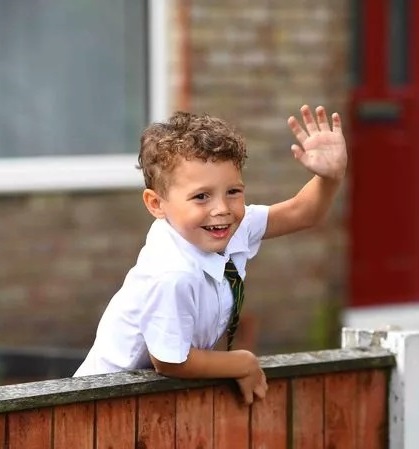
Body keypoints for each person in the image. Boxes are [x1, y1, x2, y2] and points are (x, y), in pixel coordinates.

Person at [74, 105, 347, 405]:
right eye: (201, 196)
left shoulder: (227, 226)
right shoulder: (172, 274)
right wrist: (241, 363)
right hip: (98, 405)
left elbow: (300, 212)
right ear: (156, 204)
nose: (221, 208)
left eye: (233, 191)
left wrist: (330, 178)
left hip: (147, 401)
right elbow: (170, 361)